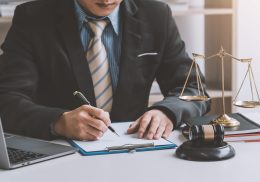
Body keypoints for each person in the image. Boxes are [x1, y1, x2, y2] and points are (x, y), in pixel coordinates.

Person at [0, 0, 210, 141]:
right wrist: (58, 122)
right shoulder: (33, 18)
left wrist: (166, 112)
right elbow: (7, 98)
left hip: (134, 149)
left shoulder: (156, 15)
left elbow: (193, 89)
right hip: (61, 153)